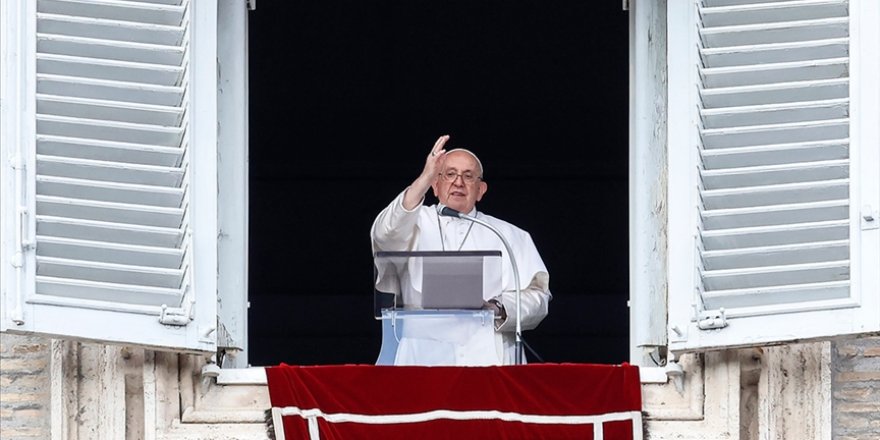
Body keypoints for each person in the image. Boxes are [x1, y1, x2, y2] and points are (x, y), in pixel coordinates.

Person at [371, 135, 551, 365]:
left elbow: (538, 297)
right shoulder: (413, 220)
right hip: (423, 355)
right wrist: (425, 176)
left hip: (488, 356)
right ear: (435, 185)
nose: (458, 182)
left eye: (468, 176)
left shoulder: (508, 235)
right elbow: (384, 234)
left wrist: (500, 308)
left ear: (481, 190)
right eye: (450, 174)